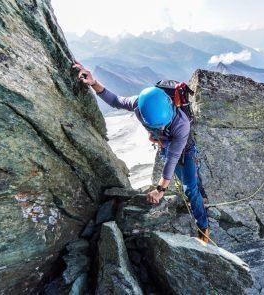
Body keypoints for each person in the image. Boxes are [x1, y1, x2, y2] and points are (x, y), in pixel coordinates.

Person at [73, 62, 210, 242]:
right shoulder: (140, 103)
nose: (160, 127)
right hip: (166, 146)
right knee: (187, 179)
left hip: (185, 149)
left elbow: (172, 158)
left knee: (189, 188)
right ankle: (200, 196)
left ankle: (203, 227)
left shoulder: (181, 123)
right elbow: (115, 101)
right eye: (156, 126)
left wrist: (160, 189)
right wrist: (93, 83)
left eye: (162, 124)